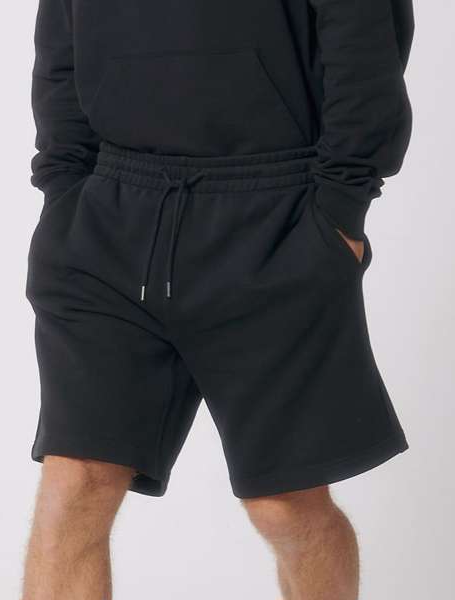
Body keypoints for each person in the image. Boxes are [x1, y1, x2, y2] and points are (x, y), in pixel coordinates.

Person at [22, 1, 414, 598]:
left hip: (274, 212)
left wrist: (342, 206)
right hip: (107, 215)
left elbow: (364, 37)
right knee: (74, 484)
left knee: (283, 504)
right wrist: (64, 190)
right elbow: (59, 42)